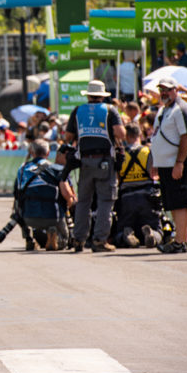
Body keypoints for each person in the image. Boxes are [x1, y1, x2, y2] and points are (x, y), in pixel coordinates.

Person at [64, 80, 126, 252]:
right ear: (102, 95)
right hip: (105, 161)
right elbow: (121, 133)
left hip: (84, 161)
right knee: (105, 201)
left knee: (83, 201)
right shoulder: (109, 110)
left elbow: (68, 136)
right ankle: (100, 240)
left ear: (89, 95)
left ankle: (78, 239)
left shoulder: (77, 110)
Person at [150, 77, 187, 253]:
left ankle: (181, 241)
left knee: (180, 203)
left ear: (176, 90)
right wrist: (155, 160)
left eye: (168, 89)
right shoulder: (164, 110)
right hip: (165, 164)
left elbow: (186, 136)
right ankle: (180, 239)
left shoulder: (181, 109)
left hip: (176, 163)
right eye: (161, 89)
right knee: (173, 203)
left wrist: (180, 163)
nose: (164, 93)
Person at [12, 139, 72, 251]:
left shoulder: (22, 169)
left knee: (18, 202)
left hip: (28, 217)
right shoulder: (57, 169)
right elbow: (67, 195)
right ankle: (55, 235)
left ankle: (29, 239)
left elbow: (17, 194)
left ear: (31, 153)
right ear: (48, 153)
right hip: (53, 217)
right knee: (64, 242)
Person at [113, 123, 164, 248]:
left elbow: (117, 179)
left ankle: (127, 234)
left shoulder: (120, 154)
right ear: (140, 134)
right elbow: (154, 174)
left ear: (126, 137)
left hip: (126, 197)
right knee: (158, 229)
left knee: (120, 230)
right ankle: (152, 234)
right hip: (147, 196)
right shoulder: (147, 152)